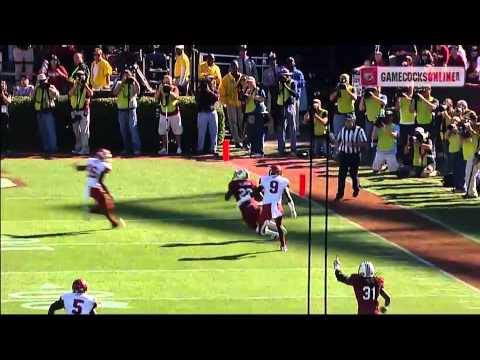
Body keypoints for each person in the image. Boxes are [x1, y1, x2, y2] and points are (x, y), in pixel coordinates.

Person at [74, 148, 125, 228]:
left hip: (89, 187)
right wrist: (107, 192)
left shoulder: (92, 161)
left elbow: (83, 168)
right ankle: (114, 223)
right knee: (107, 205)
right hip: (96, 188)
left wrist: (77, 166)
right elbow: (100, 181)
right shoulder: (104, 166)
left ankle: (96, 209)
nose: (108, 159)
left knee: (107, 203)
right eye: (107, 157)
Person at [224, 168, 281, 240]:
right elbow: (259, 196)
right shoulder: (251, 182)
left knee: (258, 229)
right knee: (260, 225)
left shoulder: (233, 184)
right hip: (255, 206)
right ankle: (277, 231)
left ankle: (273, 229)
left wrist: (229, 192)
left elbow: (227, 198)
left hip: (246, 209)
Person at [257, 165, 297, 253]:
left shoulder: (264, 179)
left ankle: (267, 223)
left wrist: (262, 198)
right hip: (277, 206)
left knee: (260, 231)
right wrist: (293, 210)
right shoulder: (284, 181)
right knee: (279, 226)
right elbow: (288, 196)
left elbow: (257, 191)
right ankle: (283, 246)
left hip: (267, 206)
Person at [334, 114, 368, 200]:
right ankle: (340, 194)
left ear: (353, 121)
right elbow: (338, 140)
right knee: (341, 175)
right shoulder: (343, 129)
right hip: (344, 154)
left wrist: (353, 144)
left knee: (353, 174)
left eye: (349, 121)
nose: (347, 123)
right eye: (346, 121)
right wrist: (337, 150)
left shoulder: (359, 130)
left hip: (354, 155)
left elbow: (364, 143)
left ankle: (356, 188)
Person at [112, 69, 142, 155]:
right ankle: (127, 148)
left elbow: (138, 91)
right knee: (123, 130)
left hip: (131, 109)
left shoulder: (133, 84)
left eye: (128, 75)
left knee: (133, 129)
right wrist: (122, 82)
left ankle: (137, 149)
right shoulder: (118, 83)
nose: (126, 77)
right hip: (121, 110)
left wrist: (134, 80)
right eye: (125, 75)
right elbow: (115, 92)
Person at [32, 73, 60, 159]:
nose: (42, 83)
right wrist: (37, 87)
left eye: (43, 81)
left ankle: (53, 148)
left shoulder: (50, 86)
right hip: (39, 112)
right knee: (43, 131)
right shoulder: (37, 88)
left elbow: (57, 95)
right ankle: (46, 148)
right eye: (41, 81)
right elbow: (33, 97)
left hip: (48, 111)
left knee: (50, 131)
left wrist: (51, 90)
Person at [359, 86, 387, 164]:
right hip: (369, 121)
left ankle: (379, 161)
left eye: (376, 89)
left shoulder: (383, 96)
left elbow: (384, 103)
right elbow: (361, 108)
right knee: (367, 140)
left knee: (379, 141)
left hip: (379, 122)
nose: (374, 91)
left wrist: (373, 96)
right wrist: (363, 97)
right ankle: (367, 160)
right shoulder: (367, 97)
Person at [219, 60, 244, 148]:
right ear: (230, 68)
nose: (234, 68)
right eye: (232, 67)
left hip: (241, 103)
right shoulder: (225, 79)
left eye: (236, 67)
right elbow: (221, 92)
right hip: (231, 103)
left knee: (241, 122)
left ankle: (242, 139)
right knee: (233, 122)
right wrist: (225, 103)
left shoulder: (243, 78)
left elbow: (247, 89)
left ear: (238, 67)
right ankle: (237, 140)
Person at [156, 75, 183, 155]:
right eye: (165, 81)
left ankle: (179, 147)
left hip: (174, 113)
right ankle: (164, 147)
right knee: (163, 131)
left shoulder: (175, 88)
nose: (166, 83)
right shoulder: (161, 88)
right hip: (164, 113)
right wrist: (160, 90)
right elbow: (156, 98)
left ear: (171, 82)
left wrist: (169, 92)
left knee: (177, 131)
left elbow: (177, 97)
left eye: (168, 81)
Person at [69, 70, 93, 155]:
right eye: (78, 75)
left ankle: (85, 148)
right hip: (74, 110)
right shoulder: (73, 83)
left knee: (84, 130)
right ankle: (78, 147)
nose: (80, 77)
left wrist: (85, 85)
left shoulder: (87, 84)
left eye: (81, 75)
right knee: (76, 130)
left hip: (83, 110)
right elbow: (70, 94)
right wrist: (76, 85)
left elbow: (91, 94)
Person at [243, 76, 267, 157]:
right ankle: (253, 151)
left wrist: (252, 96)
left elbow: (262, 99)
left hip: (258, 113)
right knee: (251, 133)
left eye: (250, 82)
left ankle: (259, 151)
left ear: (254, 82)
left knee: (259, 133)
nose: (249, 84)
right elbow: (244, 101)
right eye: (248, 82)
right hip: (250, 113)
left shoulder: (259, 90)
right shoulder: (247, 90)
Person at [276, 68, 298, 155]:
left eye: (285, 75)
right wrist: (281, 86)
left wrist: (286, 86)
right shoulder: (279, 83)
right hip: (281, 106)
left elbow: (295, 94)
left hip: (290, 106)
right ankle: (281, 149)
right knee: (281, 128)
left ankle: (293, 149)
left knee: (292, 128)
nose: (284, 77)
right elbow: (276, 93)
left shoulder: (292, 82)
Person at [196, 77, 219, 155]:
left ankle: (213, 149)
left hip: (212, 113)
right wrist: (205, 91)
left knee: (214, 132)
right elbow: (197, 100)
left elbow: (217, 99)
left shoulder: (214, 91)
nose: (212, 84)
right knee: (201, 132)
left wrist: (209, 91)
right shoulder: (200, 91)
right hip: (202, 113)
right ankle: (200, 149)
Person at [329, 74, 357, 141]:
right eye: (342, 79)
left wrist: (346, 89)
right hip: (339, 114)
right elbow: (331, 98)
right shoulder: (337, 88)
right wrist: (337, 90)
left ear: (348, 80)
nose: (343, 80)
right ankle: (339, 150)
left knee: (351, 134)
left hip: (349, 114)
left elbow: (355, 98)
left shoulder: (352, 88)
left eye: (345, 79)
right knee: (338, 135)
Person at [445, 117, 466, 193]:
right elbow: (446, 137)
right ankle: (457, 186)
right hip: (452, 151)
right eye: (453, 121)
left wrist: (457, 131)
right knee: (454, 171)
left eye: (456, 121)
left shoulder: (461, 129)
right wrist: (450, 130)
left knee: (460, 170)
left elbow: (462, 140)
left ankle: (461, 186)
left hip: (459, 152)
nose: (454, 123)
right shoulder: (449, 129)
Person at [395, 87, 415, 165]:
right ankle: (404, 161)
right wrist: (398, 99)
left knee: (412, 142)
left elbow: (412, 110)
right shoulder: (401, 98)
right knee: (403, 144)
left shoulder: (413, 98)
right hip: (403, 123)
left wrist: (407, 97)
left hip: (412, 123)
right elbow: (397, 108)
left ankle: (411, 160)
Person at [286, 57, 305, 136]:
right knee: (287, 114)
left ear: (294, 63)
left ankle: (296, 131)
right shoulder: (285, 72)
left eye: (292, 62)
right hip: (286, 97)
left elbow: (303, 83)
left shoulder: (298, 73)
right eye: (289, 62)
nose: (290, 63)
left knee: (295, 115)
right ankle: (287, 131)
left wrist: (294, 82)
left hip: (295, 97)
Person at [462, 119, 480, 199]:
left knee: (470, 174)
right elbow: (471, 133)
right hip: (474, 155)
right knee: (469, 174)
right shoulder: (475, 134)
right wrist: (469, 127)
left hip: (477, 156)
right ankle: (471, 193)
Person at [1, 81, 12, 155]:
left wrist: (2, 95)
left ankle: (6, 148)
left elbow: (8, 102)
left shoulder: (8, 94)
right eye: (1, 85)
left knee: (6, 131)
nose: (2, 86)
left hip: (5, 115)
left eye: (4, 85)